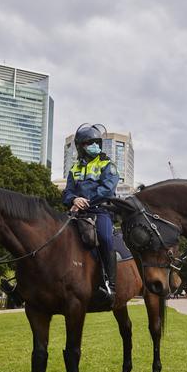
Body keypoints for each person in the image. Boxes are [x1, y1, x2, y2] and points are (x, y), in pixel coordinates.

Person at [63, 123, 120, 307]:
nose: (93, 145)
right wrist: (73, 200)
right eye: (89, 143)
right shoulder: (74, 169)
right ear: (81, 147)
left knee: (105, 238)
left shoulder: (107, 165)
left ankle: (110, 285)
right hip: (77, 212)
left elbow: (107, 189)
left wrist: (83, 199)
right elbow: (67, 192)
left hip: (100, 211)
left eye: (95, 142)